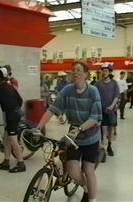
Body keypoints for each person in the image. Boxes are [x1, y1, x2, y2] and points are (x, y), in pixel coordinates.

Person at [36, 61, 102, 202]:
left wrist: (80, 128)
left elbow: (95, 117)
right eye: (73, 70)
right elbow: (52, 109)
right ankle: (86, 187)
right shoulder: (67, 90)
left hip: (91, 136)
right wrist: (38, 127)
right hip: (74, 137)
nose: (75, 72)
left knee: (88, 170)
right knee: (72, 172)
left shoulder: (92, 91)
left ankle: (92, 199)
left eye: (78, 70)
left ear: (85, 74)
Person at [96, 64, 120, 157]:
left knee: (110, 129)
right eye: (103, 70)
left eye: (106, 70)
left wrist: (112, 106)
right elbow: (96, 96)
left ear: (110, 72)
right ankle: (103, 148)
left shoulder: (114, 83)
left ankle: (109, 145)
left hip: (111, 110)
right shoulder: (98, 83)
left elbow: (116, 96)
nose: (104, 72)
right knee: (103, 129)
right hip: (102, 110)